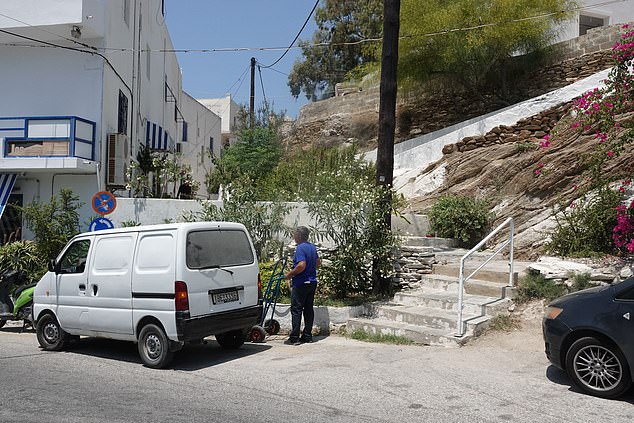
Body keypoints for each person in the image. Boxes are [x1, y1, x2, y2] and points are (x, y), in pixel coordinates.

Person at [284, 226, 320, 345]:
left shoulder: (300, 248)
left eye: (294, 234)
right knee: (308, 309)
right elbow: (318, 263)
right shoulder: (312, 247)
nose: (294, 236)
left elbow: (301, 265)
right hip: (312, 282)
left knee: (296, 309)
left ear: (299, 236)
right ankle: (307, 335)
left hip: (301, 283)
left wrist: (290, 274)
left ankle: (294, 337)